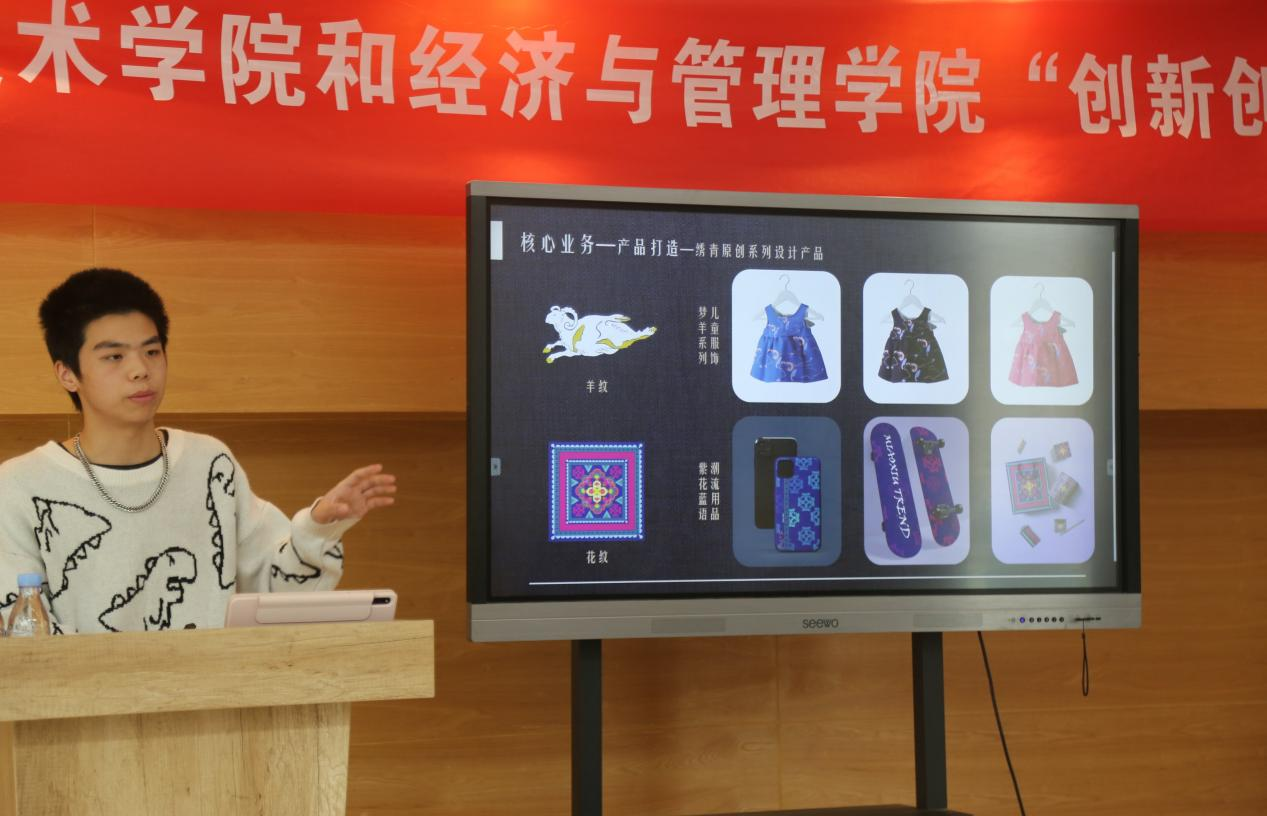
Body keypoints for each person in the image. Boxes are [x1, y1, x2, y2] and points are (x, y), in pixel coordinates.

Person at [0, 268, 396, 633]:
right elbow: (25, 636)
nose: (140, 370)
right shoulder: (19, 486)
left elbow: (281, 592)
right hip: (89, 690)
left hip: (216, 688)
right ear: (67, 373)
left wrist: (319, 526)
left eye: (152, 351)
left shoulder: (209, 462)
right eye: (114, 357)